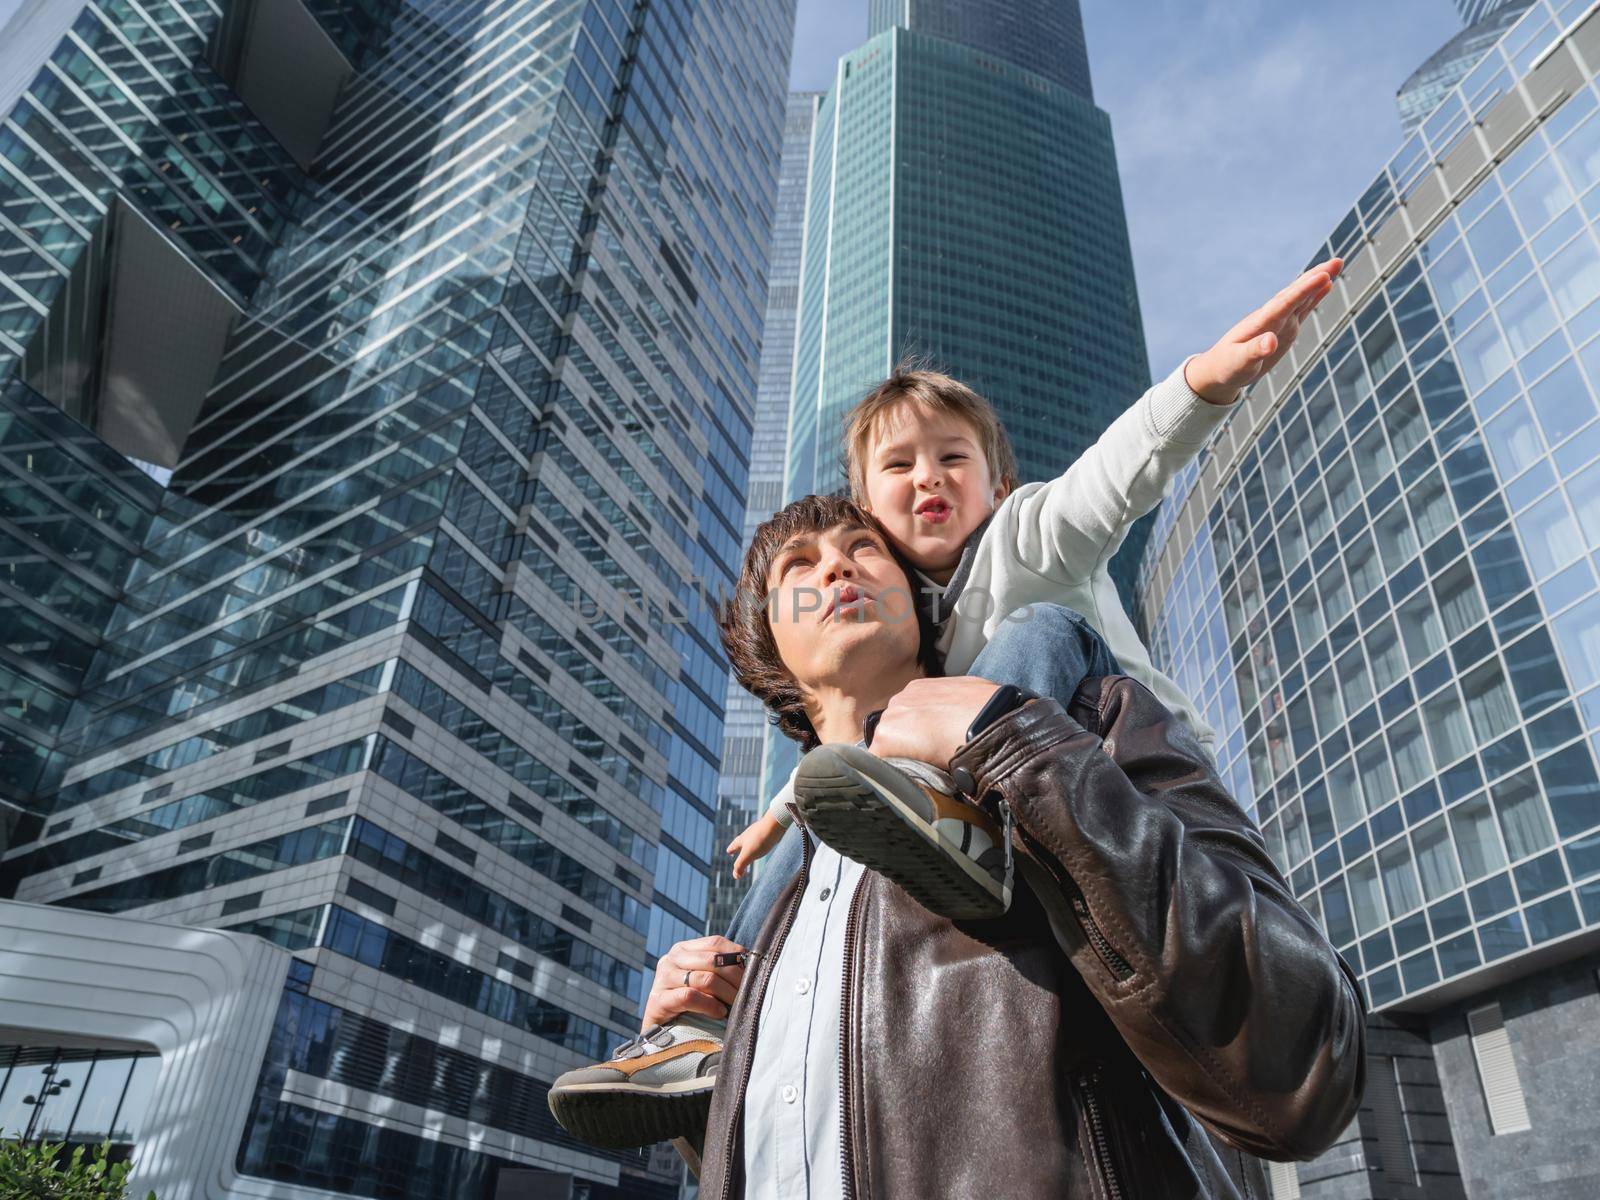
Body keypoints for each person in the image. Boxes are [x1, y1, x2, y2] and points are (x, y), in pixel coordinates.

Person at [549, 498, 1365, 1196]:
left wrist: (1014, 748)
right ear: (765, 640)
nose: (837, 570)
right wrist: (714, 1068)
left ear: (916, 597)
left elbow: (1305, 1065)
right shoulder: (773, 900)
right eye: (801, 566)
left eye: (863, 550)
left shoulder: (1080, 721)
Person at [722, 258, 1343, 909]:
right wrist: (790, 805)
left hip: (1144, 779)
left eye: (953, 457)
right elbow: (869, 733)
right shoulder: (914, 627)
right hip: (1044, 808)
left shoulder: (1026, 534)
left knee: (1032, 631)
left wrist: (1202, 385)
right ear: (869, 513)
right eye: (899, 465)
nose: (928, 476)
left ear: (1000, 488)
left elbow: (1108, 478)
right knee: (850, 786)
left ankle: (964, 817)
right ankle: (737, 980)